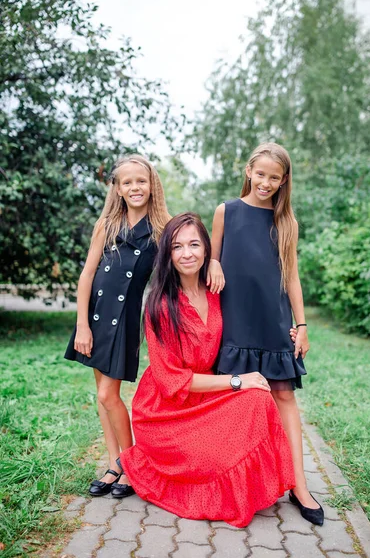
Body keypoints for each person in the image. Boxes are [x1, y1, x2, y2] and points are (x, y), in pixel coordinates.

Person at [119, 212, 295, 528]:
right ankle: (143, 462)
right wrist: (236, 380)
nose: (187, 253)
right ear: (167, 254)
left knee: (258, 398)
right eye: (177, 246)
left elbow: (257, 306)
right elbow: (170, 379)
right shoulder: (160, 305)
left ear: (206, 249)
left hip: (205, 399)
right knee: (211, 453)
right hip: (165, 412)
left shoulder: (216, 289)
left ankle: (252, 485)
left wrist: (292, 329)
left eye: (194, 244)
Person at [208, 142, 324, 526]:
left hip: (273, 319)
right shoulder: (226, 211)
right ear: (248, 171)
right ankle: (234, 480)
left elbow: (291, 275)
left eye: (274, 177)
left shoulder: (285, 221)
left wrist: (302, 325)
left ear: (283, 180)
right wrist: (213, 263)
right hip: (234, 318)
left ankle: (299, 484)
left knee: (283, 395)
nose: (266, 182)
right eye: (261, 174)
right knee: (236, 398)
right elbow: (213, 256)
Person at [65, 154, 170, 498]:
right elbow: (86, 276)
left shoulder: (163, 227)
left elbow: (189, 259)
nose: (135, 187)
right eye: (127, 182)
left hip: (124, 319)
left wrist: (213, 263)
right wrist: (82, 324)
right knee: (102, 396)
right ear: (118, 188)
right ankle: (116, 463)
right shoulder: (107, 224)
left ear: (152, 184)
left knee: (108, 394)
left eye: (141, 180)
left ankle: (130, 464)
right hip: (94, 318)